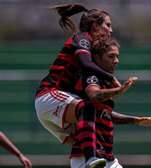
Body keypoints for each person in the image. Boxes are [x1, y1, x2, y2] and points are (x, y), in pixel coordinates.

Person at [34, 4, 132, 167]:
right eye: (107, 25)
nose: (111, 30)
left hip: (57, 105)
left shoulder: (91, 49)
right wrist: (111, 79)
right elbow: (85, 63)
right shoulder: (82, 38)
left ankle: (92, 160)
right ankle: (90, 159)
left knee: (84, 136)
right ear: (95, 26)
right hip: (48, 96)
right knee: (87, 108)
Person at [70, 38, 151, 168]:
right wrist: (119, 90)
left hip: (107, 158)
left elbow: (105, 114)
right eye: (111, 56)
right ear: (97, 58)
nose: (116, 60)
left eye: (117, 56)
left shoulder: (104, 80)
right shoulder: (91, 76)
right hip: (87, 159)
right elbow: (94, 95)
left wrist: (137, 120)